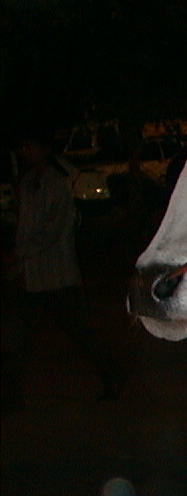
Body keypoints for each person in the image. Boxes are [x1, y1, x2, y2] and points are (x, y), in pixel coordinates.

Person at [2, 136, 122, 407]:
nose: (25, 151)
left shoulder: (56, 184)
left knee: (81, 333)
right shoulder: (27, 183)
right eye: (22, 147)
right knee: (16, 337)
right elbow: (25, 229)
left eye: (29, 146)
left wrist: (17, 256)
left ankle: (112, 375)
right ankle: (9, 394)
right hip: (32, 276)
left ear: (45, 150)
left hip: (57, 277)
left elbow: (50, 232)